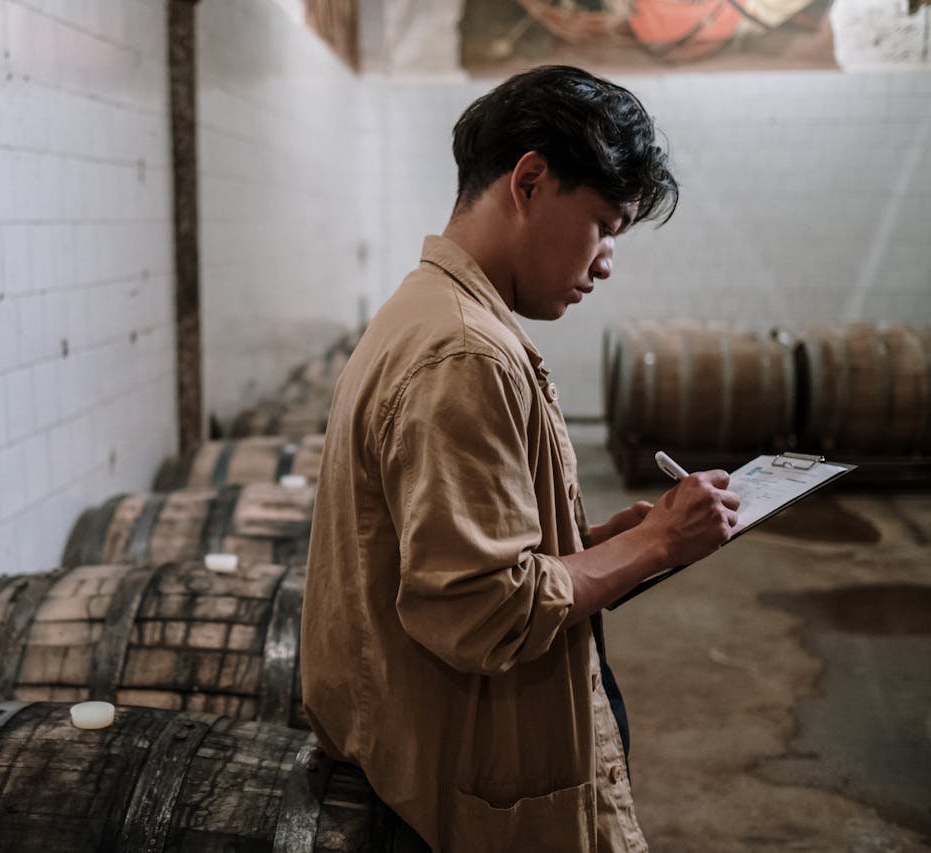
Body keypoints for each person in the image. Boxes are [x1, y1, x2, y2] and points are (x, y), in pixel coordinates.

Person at [300, 65, 741, 852]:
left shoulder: (435, 310)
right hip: (449, 791)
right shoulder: (463, 351)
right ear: (530, 180)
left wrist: (612, 540)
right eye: (605, 224)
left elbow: (471, 547)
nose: (607, 261)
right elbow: (481, 608)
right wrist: (655, 543)